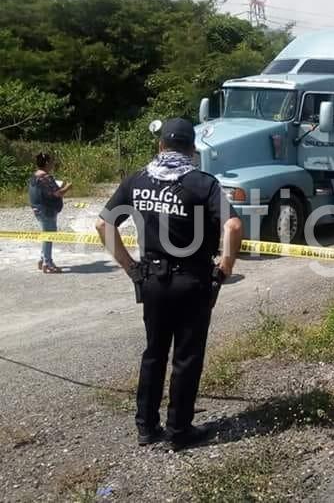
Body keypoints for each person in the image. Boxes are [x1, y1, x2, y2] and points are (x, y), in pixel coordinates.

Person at [95, 118, 244, 451]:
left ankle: (146, 428)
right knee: (186, 357)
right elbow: (233, 227)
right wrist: (224, 269)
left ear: (160, 145)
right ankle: (179, 431)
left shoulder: (137, 180)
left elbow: (103, 225)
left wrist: (131, 268)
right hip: (192, 281)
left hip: (152, 279)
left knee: (154, 353)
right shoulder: (202, 184)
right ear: (192, 149)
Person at [28, 153, 72, 273]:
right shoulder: (46, 177)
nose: (53, 164)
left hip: (38, 209)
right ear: (47, 163)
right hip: (47, 210)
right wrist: (68, 187)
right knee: (49, 236)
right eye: (51, 161)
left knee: (46, 235)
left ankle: (43, 259)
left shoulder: (35, 176)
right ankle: (48, 263)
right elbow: (57, 193)